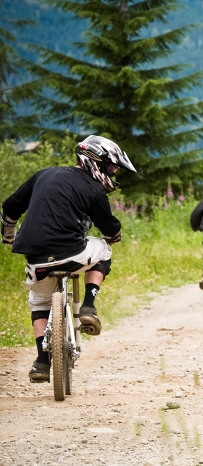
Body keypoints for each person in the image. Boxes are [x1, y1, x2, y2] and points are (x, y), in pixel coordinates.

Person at [1, 135, 137, 383]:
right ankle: (88, 306)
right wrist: (114, 236)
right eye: (110, 167)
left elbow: (11, 206)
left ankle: (42, 362)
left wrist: (9, 234)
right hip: (72, 253)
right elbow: (108, 226)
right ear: (94, 161)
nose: (111, 172)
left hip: (36, 257)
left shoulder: (43, 175)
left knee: (39, 304)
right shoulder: (94, 189)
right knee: (104, 250)